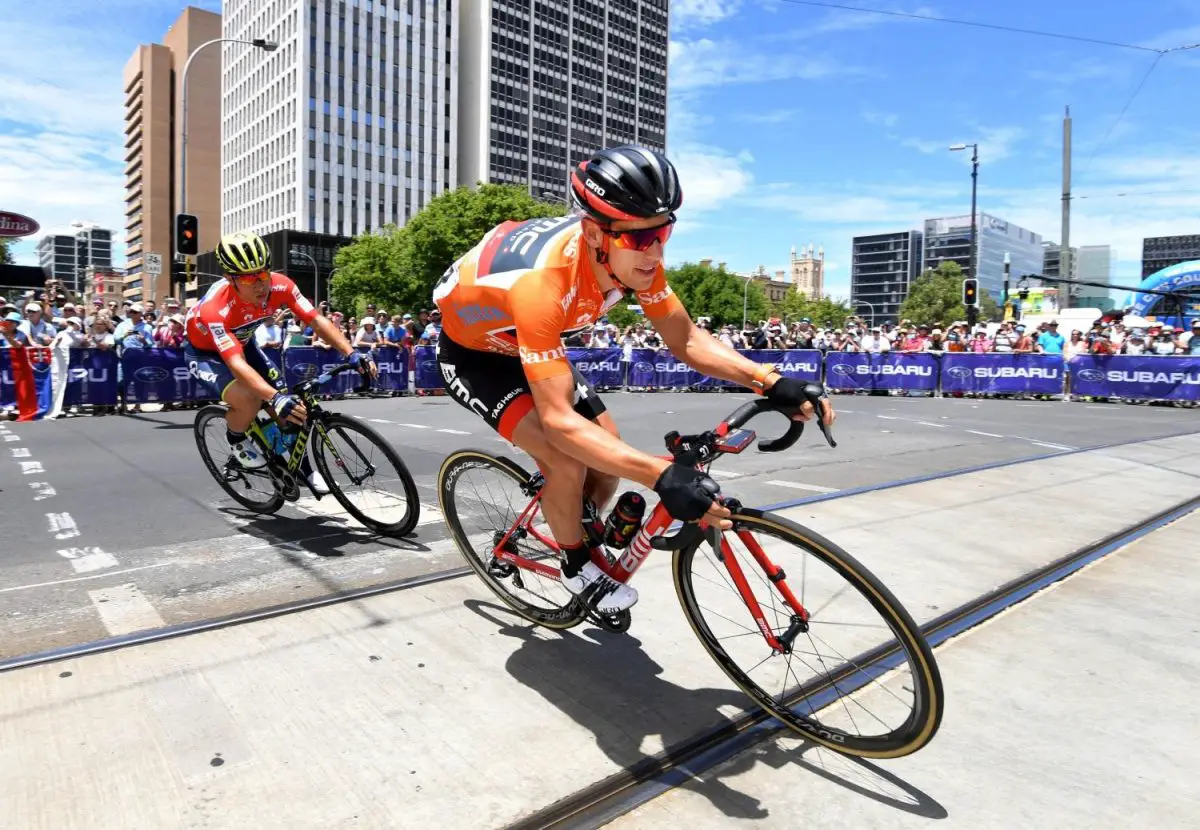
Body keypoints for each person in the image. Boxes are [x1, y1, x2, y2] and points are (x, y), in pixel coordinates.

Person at [432, 145, 834, 613]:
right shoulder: (544, 285)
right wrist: (660, 475)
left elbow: (685, 339)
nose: (657, 251)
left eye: (664, 233)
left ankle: (571, 519)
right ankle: (575, 564)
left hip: (528, 342)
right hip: (475, 355)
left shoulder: (630, 258)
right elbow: (560, 422)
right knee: (564, 458)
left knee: (606, 451)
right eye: (643, 240)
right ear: (593, 234)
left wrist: (768, 380)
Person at [184, 231, 376, 493]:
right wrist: (272, 398)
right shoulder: (215, 309)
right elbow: (236, 363)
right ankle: (236, 438)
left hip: (243, 342)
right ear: (230, 279)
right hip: (206, 354)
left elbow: (315, 320)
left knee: (292, 405)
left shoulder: (281, 285)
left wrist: (351, 352)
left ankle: (304, 469)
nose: (260, 285)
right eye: (250, 279)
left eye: (263, 275)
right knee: (250, 398)